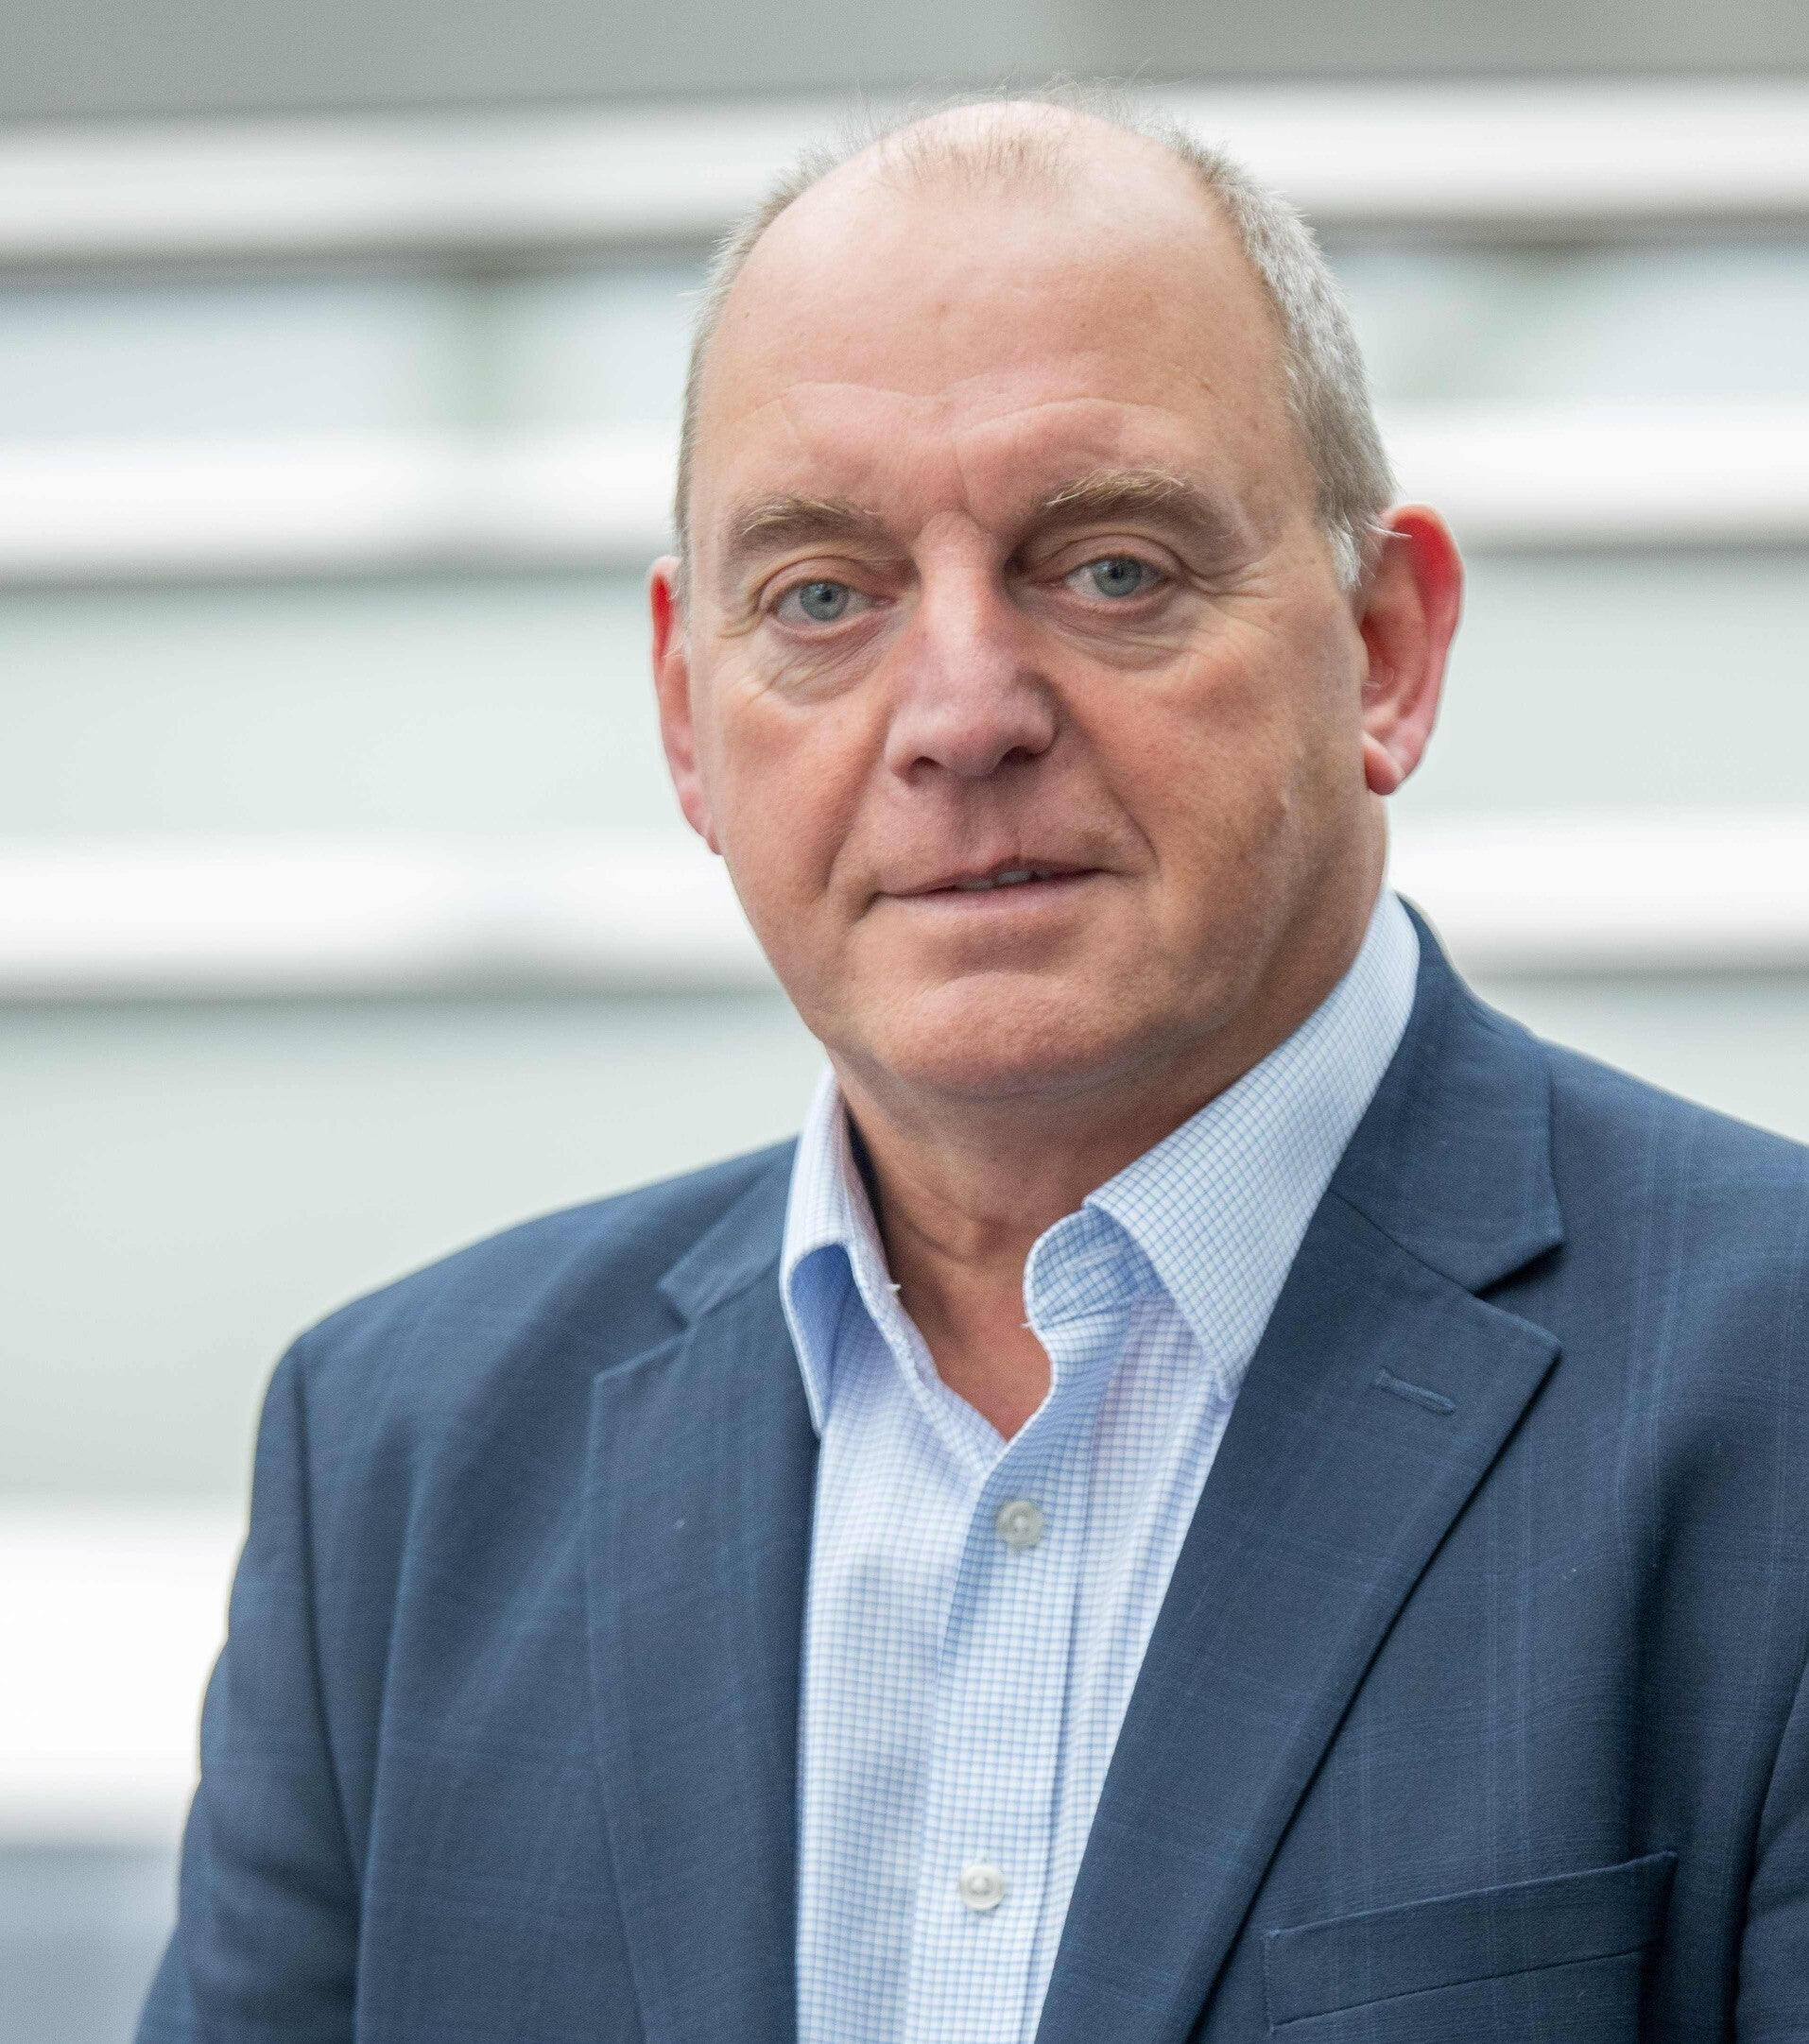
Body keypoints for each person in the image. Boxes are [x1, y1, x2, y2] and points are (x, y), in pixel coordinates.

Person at [138, 93, 1809, 2043]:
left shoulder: (1770, 1386)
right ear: (687, 715)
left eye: (1110, 568)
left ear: (1384, 649)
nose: (958, 712)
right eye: (822, 596)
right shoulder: (406, 1454)